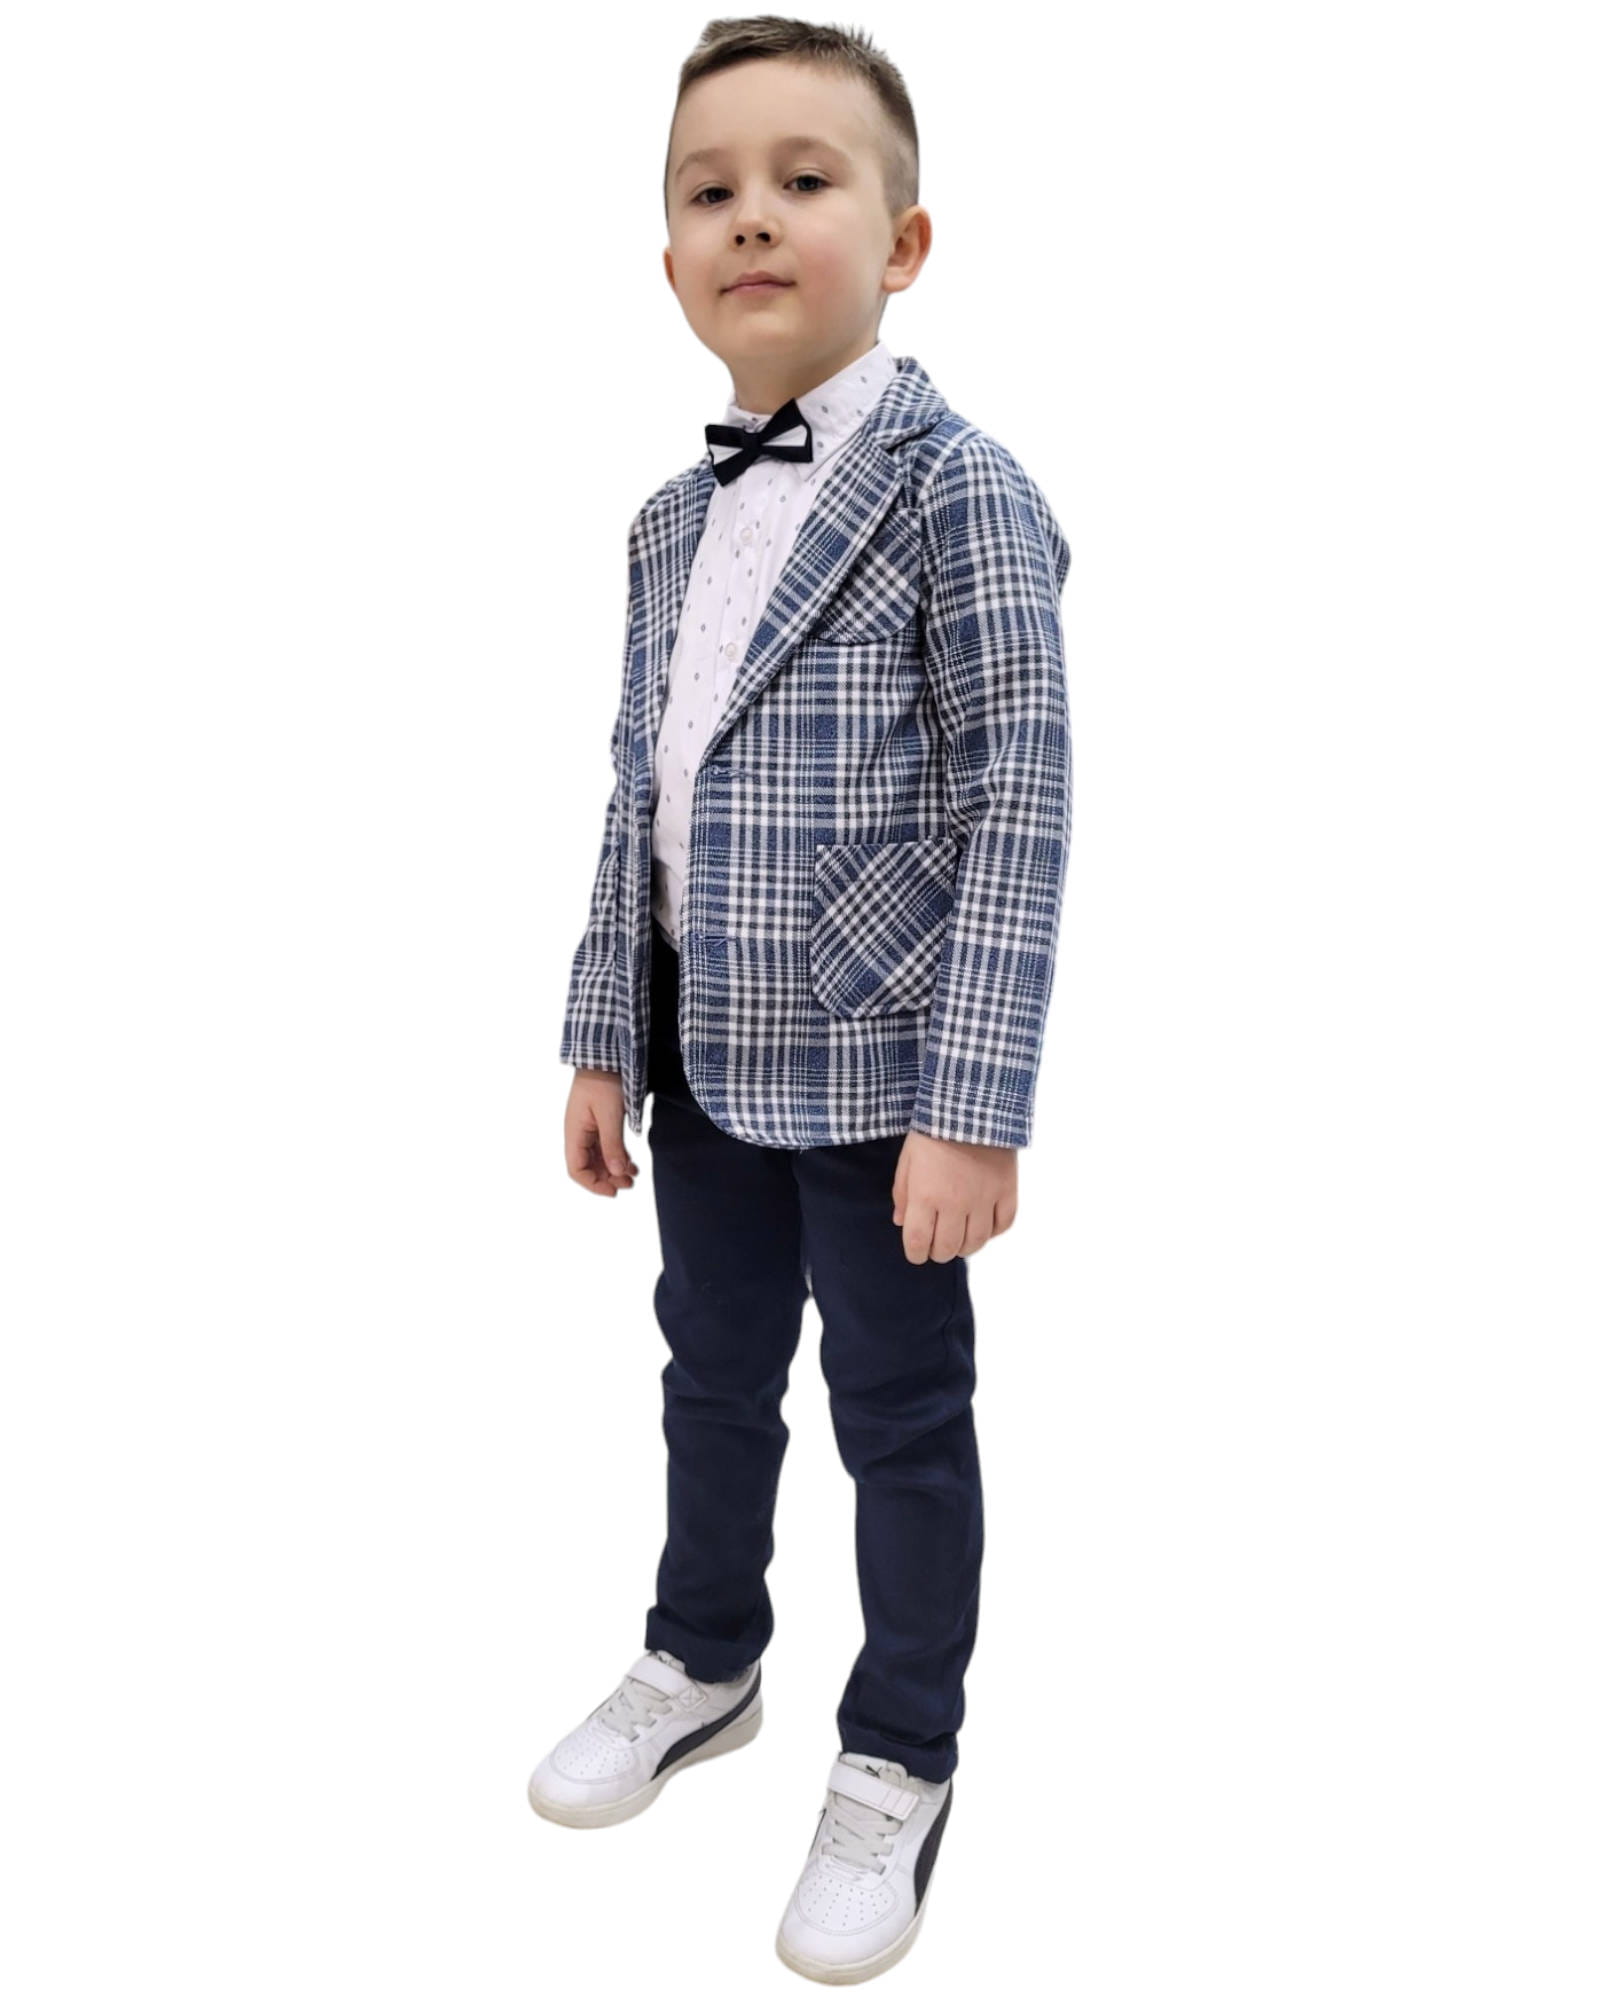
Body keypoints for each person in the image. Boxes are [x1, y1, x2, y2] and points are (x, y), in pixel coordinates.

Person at [527, 17, 1072, 1985]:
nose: (750, 216)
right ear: (669, 258)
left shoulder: (959, 489)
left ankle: (900, 1748)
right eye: (710, 190)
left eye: (802, 179)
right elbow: (637, 792)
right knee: (709, 1373)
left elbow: (1020, 796)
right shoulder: (665, 525)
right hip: (701, 1064)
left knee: (899, 1415)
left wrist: (973, 1103)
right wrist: (602, 1035)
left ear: (903, 242)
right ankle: (704, 1651)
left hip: (881, 1078)